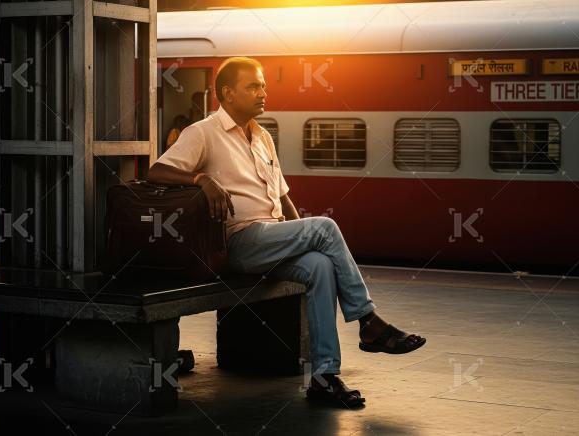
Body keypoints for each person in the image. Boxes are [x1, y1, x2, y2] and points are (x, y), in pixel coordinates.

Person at [146, 57, 426, 408]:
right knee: (324, 226)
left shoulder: (263, 137)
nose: (263, 92)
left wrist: (299, 233)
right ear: (227, 93)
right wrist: (201, 179)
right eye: (253, 86)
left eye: (263, 85)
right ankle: (368, 321)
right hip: (239, 243)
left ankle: (324, 378)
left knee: (320, 267)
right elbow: (157, 172)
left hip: (272, 240)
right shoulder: (203, 132)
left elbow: (281, 195)